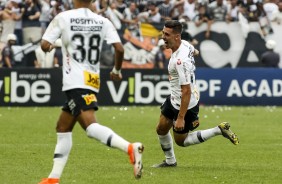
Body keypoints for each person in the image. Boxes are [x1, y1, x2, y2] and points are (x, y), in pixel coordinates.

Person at [38, 0, 144, 183]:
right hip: (91, 79)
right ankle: (53, 179)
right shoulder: (102, 21)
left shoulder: (63, 17)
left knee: (89, 126)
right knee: (63, 127)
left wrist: (52, 45)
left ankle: (130, 147)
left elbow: (44, 45)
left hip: (74, 81)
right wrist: (116, 70)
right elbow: (119, 48)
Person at [152, 20, 239, 168]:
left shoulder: (180, 61)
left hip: (185, 103)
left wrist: (180, 118)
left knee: (181, 141)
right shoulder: (185, 44)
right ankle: (170, 161)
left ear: (177, 37)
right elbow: (195, 51)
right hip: (174, 98)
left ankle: (218, 130)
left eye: (167, 34)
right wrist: (194, 53)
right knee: (161, 128)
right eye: (163, 33)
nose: (163, 37)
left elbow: (186, 90)